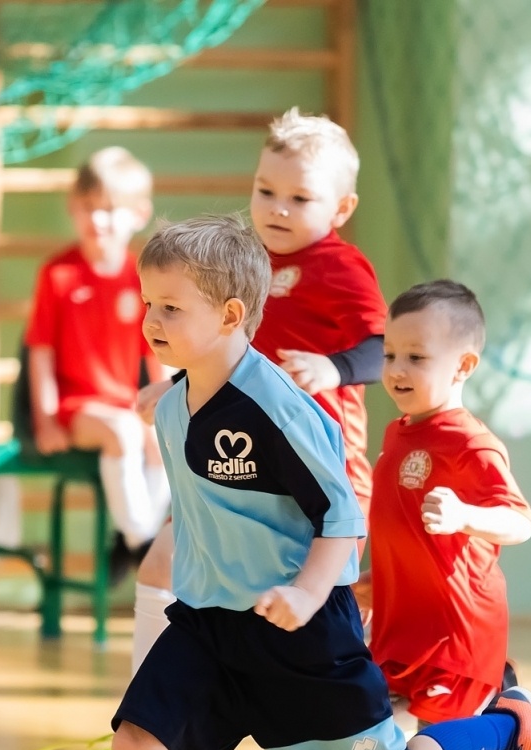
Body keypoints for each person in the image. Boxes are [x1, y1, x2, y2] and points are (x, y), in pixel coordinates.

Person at [48, 216, 531, 750]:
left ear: (231, 317)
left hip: (299, 631)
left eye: (171, 307)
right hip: (209, 625)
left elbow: (342, 514)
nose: (151, 319)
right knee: (136, 743)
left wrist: (303, 593)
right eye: (148, 301)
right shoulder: (173, 405)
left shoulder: (277, 409)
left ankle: (502, 726)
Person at [131, 107, 386, 674]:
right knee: (160, 568)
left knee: (319, 634)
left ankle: (444, 740)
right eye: (266, 190)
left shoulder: (341, 268)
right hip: (230, 466)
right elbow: (228, 355)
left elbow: (382, 345)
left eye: (300, 198)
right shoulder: (240, 263)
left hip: (314, 477)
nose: (277, 208)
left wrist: (334, 368)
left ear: (341, 209)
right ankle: (141, 718)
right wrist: (177, 386)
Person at [371, 280, 531, 750]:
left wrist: (469, 512)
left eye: (416, 357)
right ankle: (487, 727)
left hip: (456, 627)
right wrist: (369, 582)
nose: (396, 369)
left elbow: (520, 522)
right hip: (400, 620)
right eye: (390, 354)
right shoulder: (400, 435)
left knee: (441, 740)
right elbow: (401, 530)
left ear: (463, 365)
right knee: (365, 721)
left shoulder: (469, 442)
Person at [25, 147, 166, 580]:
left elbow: (156, 352)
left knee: (168, 439)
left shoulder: (141, 276)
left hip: (124, 405)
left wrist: (166, 410)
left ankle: (131, 539)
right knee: (125, 432)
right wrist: (47, 419)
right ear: (73, 207)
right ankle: (141, 538)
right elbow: (41, 352)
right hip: (76, 409)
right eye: (88, 208)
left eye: (109, 209)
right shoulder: (58, 274)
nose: (97, 220)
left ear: (139, 214)